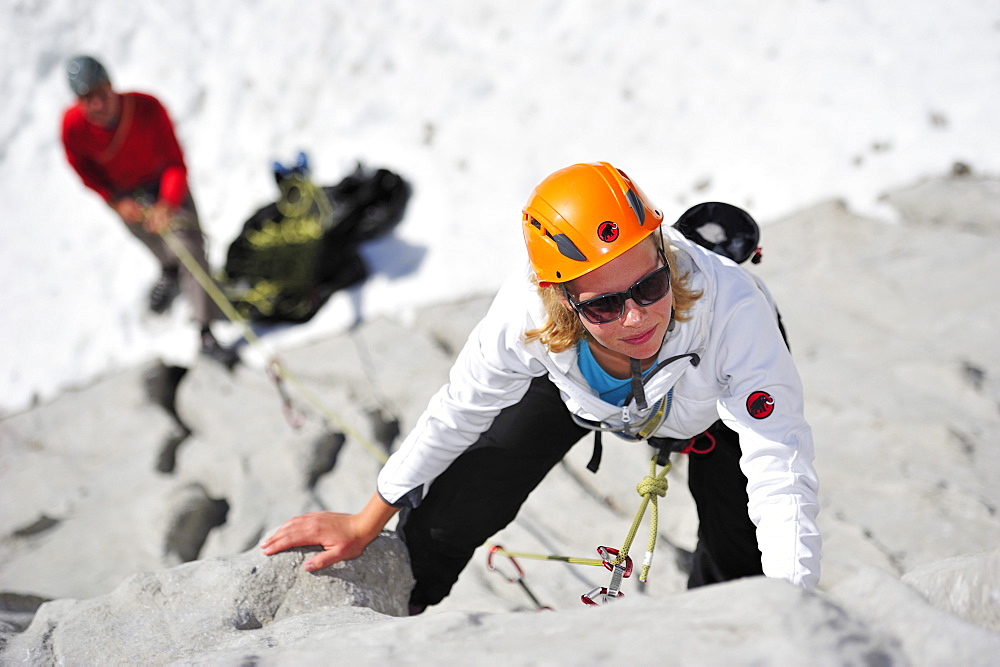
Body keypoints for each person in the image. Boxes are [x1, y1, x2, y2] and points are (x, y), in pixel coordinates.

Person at [261, 161, 821, 612]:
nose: (634, 318)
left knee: (738, 545)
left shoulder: (736, 311)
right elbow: (458, 410)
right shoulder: (527, 316)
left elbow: (781, 468)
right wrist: (366, 521)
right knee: (457, 504)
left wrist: (795, 613)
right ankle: (406, 606)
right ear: (563, 300)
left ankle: (715, 637)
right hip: (577, 386)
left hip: (710, 400)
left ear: (663, 252)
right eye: (603, 303)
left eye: (650, 285)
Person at [60, 55, 238, 368]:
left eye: (101, 93)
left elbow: (175, 162)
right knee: (153, 241)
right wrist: (114, 200)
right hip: (126, 195)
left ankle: (205, 329)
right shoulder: (73, 128)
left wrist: (168, 204)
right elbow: (84, 168)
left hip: (162, 184)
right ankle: (170, 272)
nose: (98, 105)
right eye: (88, 99)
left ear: (111, 86)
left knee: (190, 249)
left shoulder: (147, 108)